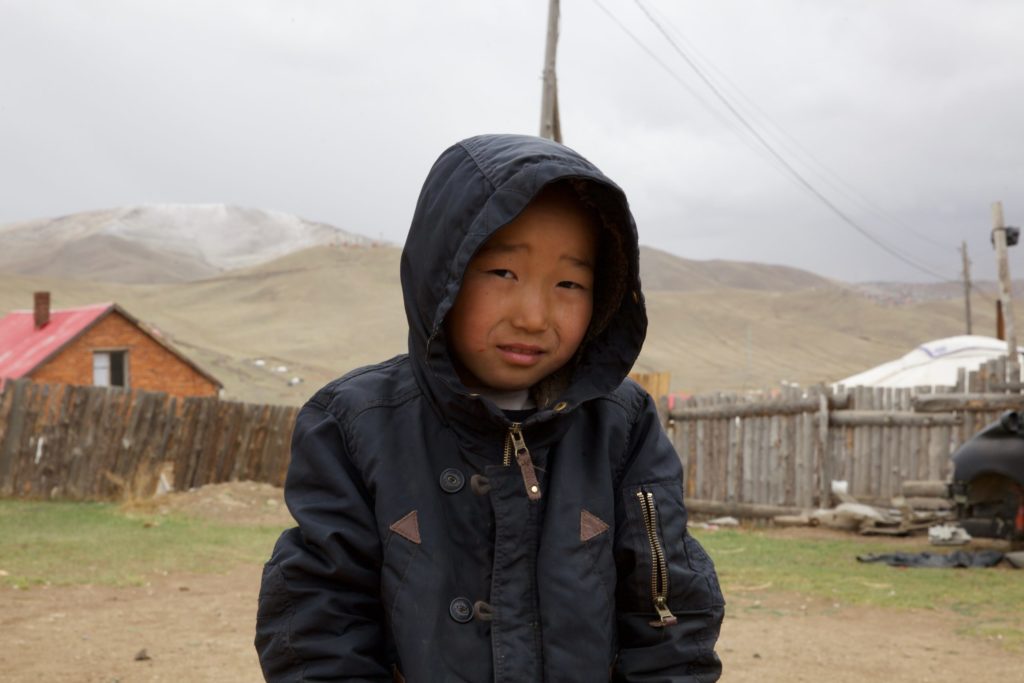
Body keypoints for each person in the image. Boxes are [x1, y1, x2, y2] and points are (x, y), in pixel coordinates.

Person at [255, 134, 724, 682]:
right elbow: (318, 629)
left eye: (570, 282)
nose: (533, 315)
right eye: (504, 273)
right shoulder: (354, 425)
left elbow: (668, 611)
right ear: (442, 273)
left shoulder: (621, 426)